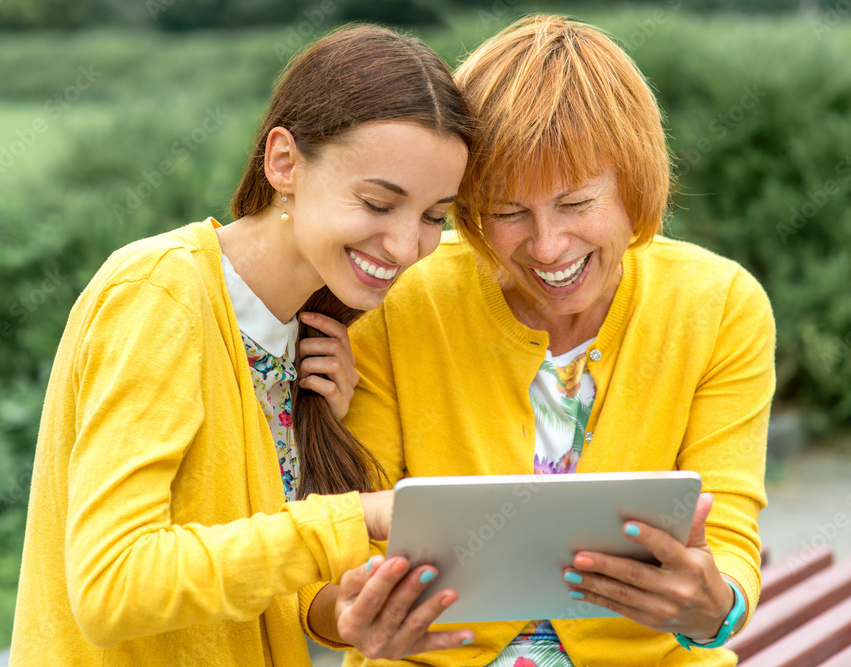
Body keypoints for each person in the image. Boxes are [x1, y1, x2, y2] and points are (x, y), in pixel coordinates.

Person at [305, 14, 776, 667]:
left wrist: (710, 607)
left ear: (634, 185)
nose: (549, 246)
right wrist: (345, 617)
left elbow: (728, 550)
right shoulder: (400, 299)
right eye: (508, 213)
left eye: (577, 204)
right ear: (468, 209)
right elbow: (333, 560)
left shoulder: (718, 305)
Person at [9, 25, 474, 666]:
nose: (405, 247)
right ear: (283, 162)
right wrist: (354, 517)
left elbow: (268, 584)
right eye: (376, 202)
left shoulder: (316, 339)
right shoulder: (162, 291)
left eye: (432, 217)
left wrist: (354, 611)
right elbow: (112, 587)